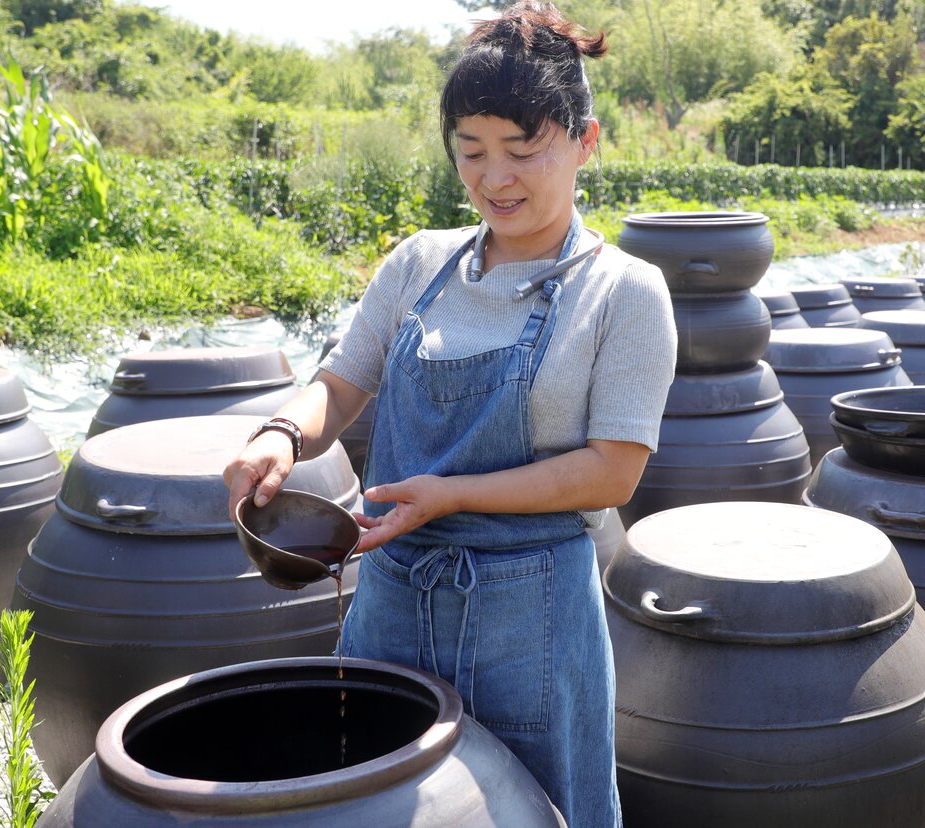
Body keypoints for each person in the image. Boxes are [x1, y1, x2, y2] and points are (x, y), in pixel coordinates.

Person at [223, 4, 677, 825]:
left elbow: (614, 471)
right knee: (372, 802)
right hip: (389, 602)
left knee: (538, 812)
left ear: (585, 140)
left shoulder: (624, 292)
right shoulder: (419, 265)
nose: (493, 178)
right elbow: (341, 383)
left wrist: (455, 494)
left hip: (530, 625)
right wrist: (280, 434)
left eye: (521, 149)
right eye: (471, 151)